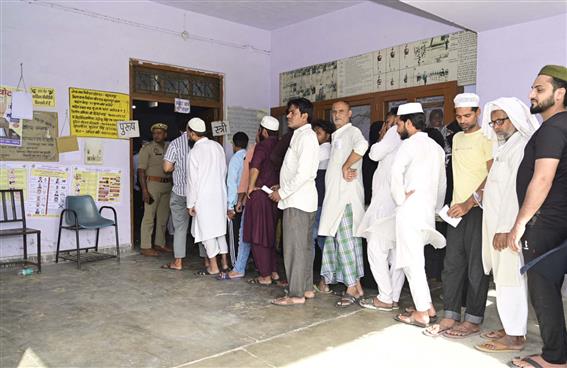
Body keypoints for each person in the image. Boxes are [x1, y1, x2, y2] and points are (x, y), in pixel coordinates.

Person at [508, 65, 567, 368]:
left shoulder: (553, 128)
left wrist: (520, 223)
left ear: (560, 93)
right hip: (559, 221)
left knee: (544, 291)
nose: (531, 94)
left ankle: (555, 358)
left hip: (546, 222)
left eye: (539, 89)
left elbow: (542, 179)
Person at [472, 97, 540, 354]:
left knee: (510, 279)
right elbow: (497, 186)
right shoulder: (503, 147)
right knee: (502, 279)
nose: (497, 126)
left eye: (501, 120)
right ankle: (512, 326)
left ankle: (514, 337)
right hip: (496, 223)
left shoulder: (521, 146)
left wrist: (505, 228)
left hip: (506, 227)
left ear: (515, 119)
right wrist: (482, 197)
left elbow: (515, 193)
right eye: (493, 122)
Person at [425, 93, 494, 338]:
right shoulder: (455, 139)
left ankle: (473, 319)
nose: (463, 120)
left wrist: (469, 203)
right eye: (459, 116)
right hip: (456, 212)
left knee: (477, 268)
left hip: (477, 211)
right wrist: (454, 205)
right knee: (452, 265)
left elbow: (492, 176)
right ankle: (450, 315)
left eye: (468, 115)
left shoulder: (488, 137)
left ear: (478, 112)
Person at [389, 102, 446, 327]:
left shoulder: (409, 145)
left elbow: (395, 174)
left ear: (409, 123)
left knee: (411, 262)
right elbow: (442, 184)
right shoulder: (436, 148)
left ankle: (422, 313)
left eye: (398, 124)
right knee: (417, 261)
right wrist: (434, 207)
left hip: (410, 210)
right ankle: (427, 306)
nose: (396, 129)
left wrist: (400, 198)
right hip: (426, 212)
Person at [269, 97, 319, 306]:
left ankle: (295, 294)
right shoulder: (299, 136)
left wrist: (283, 192)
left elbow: (305, 173)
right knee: (304, 249)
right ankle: (306, 288)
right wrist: (281, 188)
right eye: (288, 112)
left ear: (304, 116)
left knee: (294, 249)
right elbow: (294, 171)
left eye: (293, 113)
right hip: (297, 199)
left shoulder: (306, 138)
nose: (288, 116)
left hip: (297, 201)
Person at [319, 100, 369, 307]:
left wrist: (347, 165)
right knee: (337, 242)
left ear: (350, 114)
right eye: (334, 112)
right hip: (335, 199)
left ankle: (351, 287)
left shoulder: (352, 131)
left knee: (347, 243)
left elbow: (363, 146)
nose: (337, 115)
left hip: (346, 199)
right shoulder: (337, 136)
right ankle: (353, 285)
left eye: (341, 112)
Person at [357, 107, 405, 311]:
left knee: (376, 249)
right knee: (396, 255)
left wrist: (387, 133)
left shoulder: (393, 136)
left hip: (386, 205)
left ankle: (385, 297)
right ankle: (392, 296)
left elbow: (374, 153)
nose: (385, 127)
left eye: (390, 122)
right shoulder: (404, 142)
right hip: (397, 205)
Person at [186, 118, 229, 275]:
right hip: (219, 194)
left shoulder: (194, 152)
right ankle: (224, 262)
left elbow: (192, 181)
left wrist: (190, 203)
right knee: (219, 230)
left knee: (206, 232)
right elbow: (224, 171)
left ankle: (214, 266)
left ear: (192, 133)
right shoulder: (217, 147)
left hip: (203, 196)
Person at [244, 116, 280, 285]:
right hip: (275, 195)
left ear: (263, 131)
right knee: (270, 234)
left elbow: (255, 166)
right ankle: (273, 271)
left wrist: (250, 187)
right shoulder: (281, 146)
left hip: (260, 194)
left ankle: (264, 276)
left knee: (258, 236)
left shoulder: (262, 146)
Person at [138, 123, 172, 257]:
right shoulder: (147, 148)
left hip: (168, 185)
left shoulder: (170, 147)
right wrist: (144, 190)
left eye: (159, 133)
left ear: (165, 134)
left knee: (163, 217)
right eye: (154, 133)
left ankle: (160, 243)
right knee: (149, 216)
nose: (156, 135)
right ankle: (145, 246)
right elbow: (141, 171)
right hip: (152, 184)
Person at [161, 123, 192, 270]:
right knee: (202, 227)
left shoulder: (176, 143)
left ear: (184, 129)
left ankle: (178, 262)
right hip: (198, 194)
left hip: (179, 192)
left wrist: (175, 167)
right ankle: (208, 262)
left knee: (180, 228)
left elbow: (166, 168)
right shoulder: (207, 144)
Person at [311, 119, 335, 293]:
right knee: (321, 239)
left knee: (318, 239)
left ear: (327, 135)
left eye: (318, 133)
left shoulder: (324, 149)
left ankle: (325, 279)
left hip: (319, 200)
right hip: (321, 200)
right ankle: (325, 278)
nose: (315, 136)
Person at [224, 131, 248, 267]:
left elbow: (232, 183)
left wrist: (230, 206)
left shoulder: (235, 159)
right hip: (246, 200)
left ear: (234, 144)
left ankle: (235, 264)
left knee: (234, 235)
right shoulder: (249, 156)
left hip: (236, 202)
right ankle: (242, 261)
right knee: (243, 234)